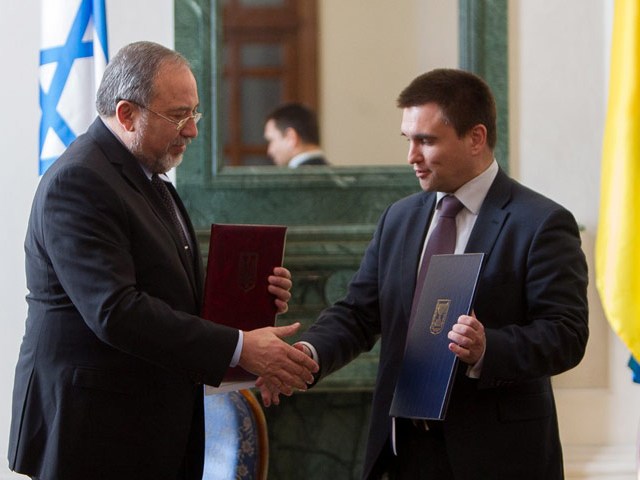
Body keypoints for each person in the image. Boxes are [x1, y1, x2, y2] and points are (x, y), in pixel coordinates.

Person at [8, 41, 318, 480]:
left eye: (195, 113)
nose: (191, 129)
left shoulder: (150, 176)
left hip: (146, 425)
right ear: (126, 114)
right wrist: (240, 346)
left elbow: (167, 292)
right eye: (178, 115)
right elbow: (115, 311)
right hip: (93, 434)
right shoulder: (80, 181)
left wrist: (248, 306)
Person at [259, 69, 589, 479]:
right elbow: (359, 314)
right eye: (408, 139)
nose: (411, 156)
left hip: (498, 460)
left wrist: (489, 348)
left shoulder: (541, 222)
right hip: (402, 454)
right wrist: (305, 356)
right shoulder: (399, 218)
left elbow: (567, 335)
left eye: (426, 141)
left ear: (476, 138)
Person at [264, 102, 328, 167]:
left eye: (271, 141)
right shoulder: (336, 175)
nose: (270, 151)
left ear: (291, 137)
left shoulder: (293, 177)